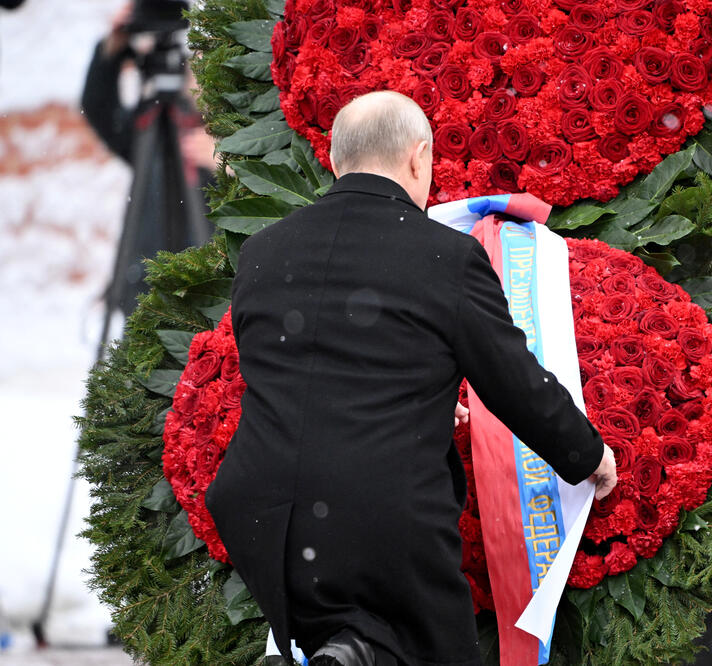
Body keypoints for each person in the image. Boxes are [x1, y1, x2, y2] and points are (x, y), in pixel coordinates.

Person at [205, 91, 618, 666]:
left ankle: (348, 653)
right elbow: (512, 381)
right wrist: (588, 455)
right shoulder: (444, 256)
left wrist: (421, 397)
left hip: (261, 509)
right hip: (379, 514)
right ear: (419, 157)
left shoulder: (263, 252)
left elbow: (296, 372)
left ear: (335, 159)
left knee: (350, 637)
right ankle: (354, 653)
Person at [81, 0, 215, 315]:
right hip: (146, 285)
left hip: (208, 287)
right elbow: (99, 107)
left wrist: (223, 158)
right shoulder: (147, 128)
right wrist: (111, 50)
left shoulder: (219, 135)